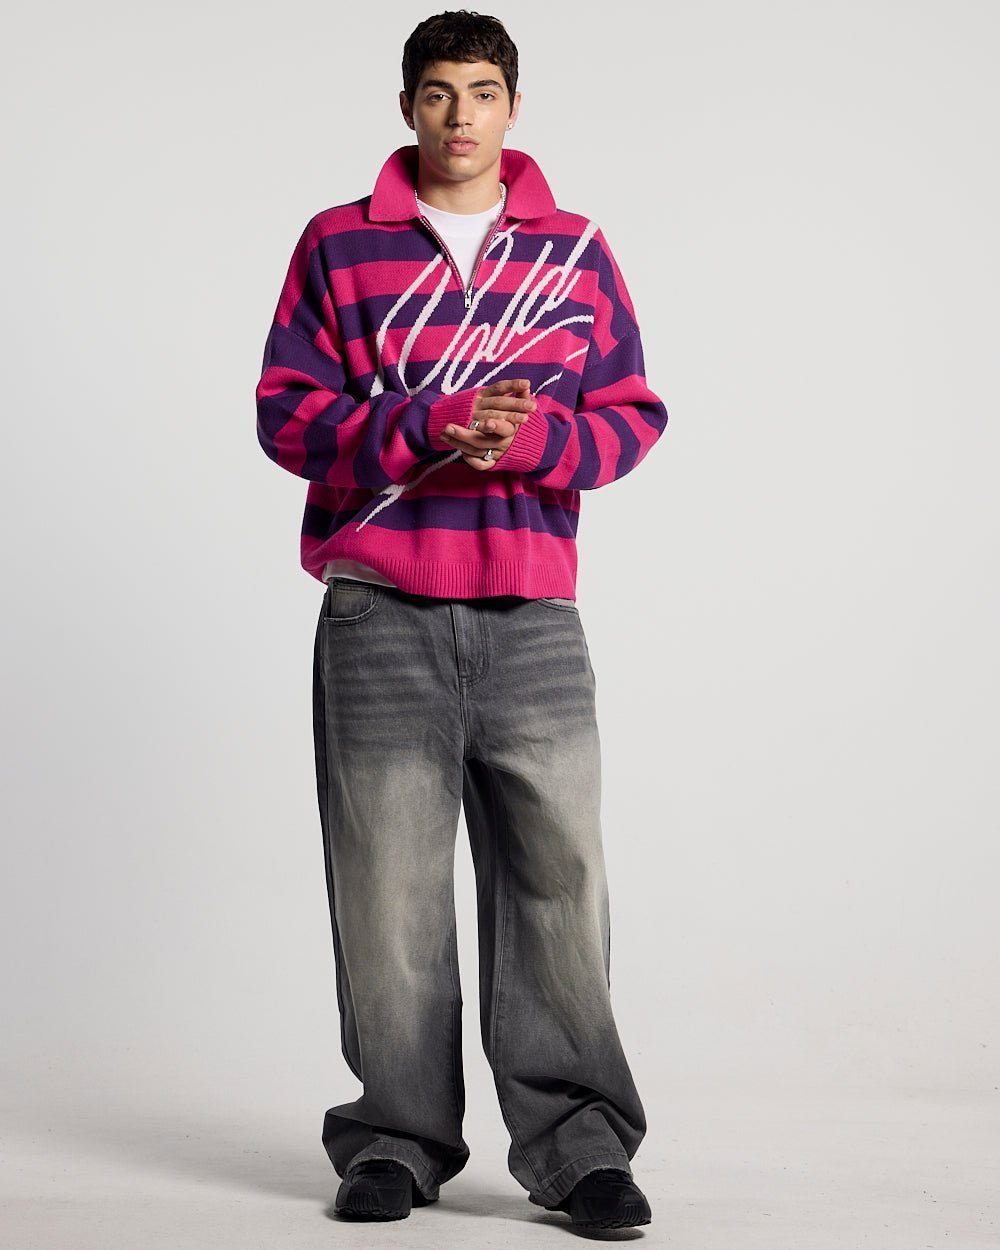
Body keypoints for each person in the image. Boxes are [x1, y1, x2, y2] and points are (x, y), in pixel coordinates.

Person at [255, 8, 668, 1230]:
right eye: (437, 92)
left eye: (482, 92)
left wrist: (533, 441)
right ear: (407, 107)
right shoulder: (338, 244)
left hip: (532, 609)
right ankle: (396, 1137)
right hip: (380, 606)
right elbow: (285, 412)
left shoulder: (576, 249)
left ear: (513, 107)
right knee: (385, 891)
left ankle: (580, 1146)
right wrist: (426, 425)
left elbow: (631, 416)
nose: (459, 115)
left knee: (559, 881)